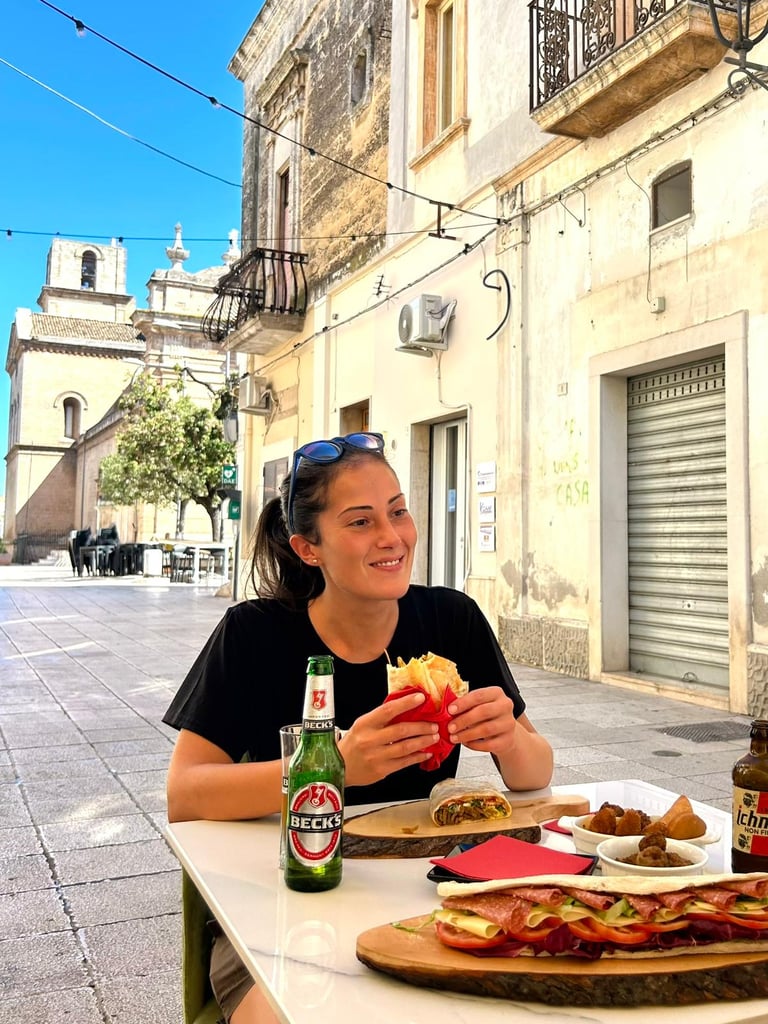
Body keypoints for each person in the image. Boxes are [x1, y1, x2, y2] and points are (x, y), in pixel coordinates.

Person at [163, 430, 553, 1024]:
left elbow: (535, 774)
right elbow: (185, 794)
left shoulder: (452, 619)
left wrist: (510, 737)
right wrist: (333, 766)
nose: (392, 537)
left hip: (429, 893)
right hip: (282, 901)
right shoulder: (253, 635)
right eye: (361, 522)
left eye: (398, 511)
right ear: (308, 548)